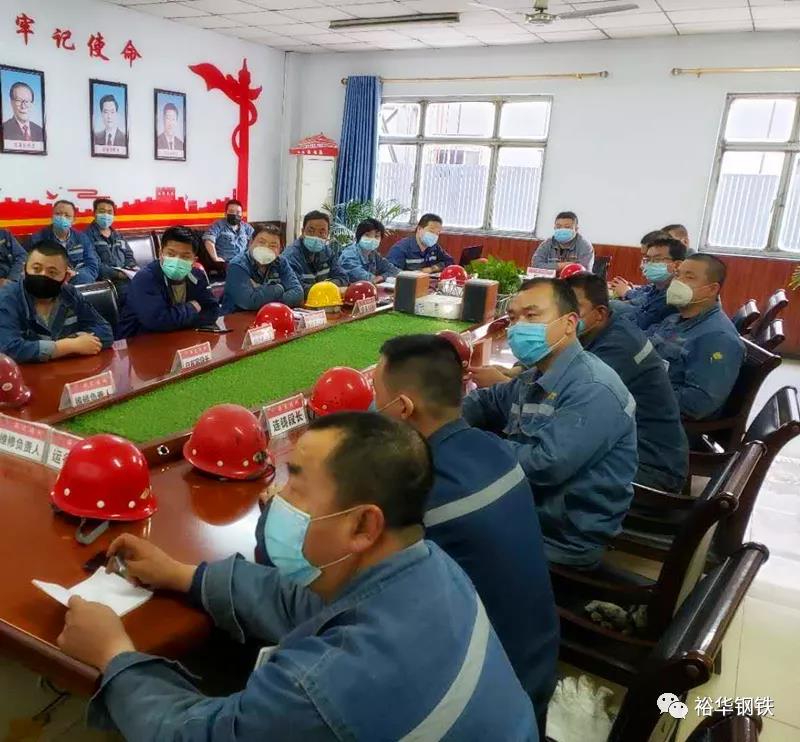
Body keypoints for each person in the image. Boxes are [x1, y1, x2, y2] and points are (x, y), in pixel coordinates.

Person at [55, 413, 538, 741]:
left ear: (363, 525)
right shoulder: (431, 567)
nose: (276, 497)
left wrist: (113, 653)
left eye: (296, 482)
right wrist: (182, 575)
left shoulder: (322, 686)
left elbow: (193, 735)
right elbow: (303, 605)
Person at [372, 334, 558, 729]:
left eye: (377, 399)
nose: (373, 410)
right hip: (537, 666)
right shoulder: (496, 449)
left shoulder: (422, 494)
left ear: (403, 408)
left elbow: (346, 587)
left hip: (489, 703)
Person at [463, 278, 637, 569]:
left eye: (532, 315)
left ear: (569, 323)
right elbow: (487, 401)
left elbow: (545, 465)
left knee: (434, 530)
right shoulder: (538, 373)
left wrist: (466, 442)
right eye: (513, 318)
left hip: (560, 535)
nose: (519, 327)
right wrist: (442, 418)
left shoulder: (592, 387)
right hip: (528, 510)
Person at [565, 273, 688, 492]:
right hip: (629, 449)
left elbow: (566, 396)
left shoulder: (616, 348)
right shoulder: (611, 329)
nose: (566, 317)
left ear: (600, 313)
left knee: (537, 475)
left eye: (574, 309)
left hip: (649, 468)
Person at [649, 254, 744, 421]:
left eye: (689, 277)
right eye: (677, 275)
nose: (678, 282)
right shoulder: (674, 319)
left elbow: (698, 404)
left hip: (662, 421)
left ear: (712, 289)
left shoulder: (717, 338)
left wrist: (640, 392)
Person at [0, 241, 113, 363]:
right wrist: (67, 346)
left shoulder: (70, 294)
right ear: (24, 269)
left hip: (69, 370)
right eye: (36, 269)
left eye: (52, 272)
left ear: (66, 277)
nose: (43, 275)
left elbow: (105, 331)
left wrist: (76, 341)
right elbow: (8, 349)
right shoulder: (7, 297)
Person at [118, 226, 220, 338]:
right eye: (171, 254)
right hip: (139, 341)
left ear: (193, 261)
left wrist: (175, 321)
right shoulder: (145, 278)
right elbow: (157, 321)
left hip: (179, 338)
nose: (177, 260)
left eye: (185, 257)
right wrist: (192, 308)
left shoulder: (197, 275)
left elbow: (212, 310)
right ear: (160, 253)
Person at [222, 225, 303, 313]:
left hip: (270, 315)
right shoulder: (237, 265)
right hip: (237, 316)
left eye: (273, 246)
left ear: (280, 250)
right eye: (261, 242)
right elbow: (248, 302)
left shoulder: (281, 262)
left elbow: (298, 294)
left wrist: (260, 294)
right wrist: (279, 289)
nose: (266, 248)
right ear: (251, 243)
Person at [615, 237, 687, 331]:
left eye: (657, 259)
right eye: (648, 259)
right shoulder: (657, 288)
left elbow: (640, 325)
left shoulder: (672, 296)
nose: (649, 264)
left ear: (677, 265)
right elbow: (640, 309)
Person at [31, 201, 99, 285]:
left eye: (67, 215)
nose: (62, 218)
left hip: (78, 280)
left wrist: (76, 273)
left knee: (85, 279)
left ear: (74, 220)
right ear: (52, 217)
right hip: (50, 282)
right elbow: (32, 267)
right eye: (58, 214)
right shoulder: (38, 238)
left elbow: (92, 266)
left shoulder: (82, 238)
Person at [283, 211, 349, 298]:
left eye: (321, 232)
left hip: (324, 300)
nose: (316, 236)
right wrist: (327, 287)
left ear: (327, 235)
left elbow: (343, 278)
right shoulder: (290, 256)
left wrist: (323, 288)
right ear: (302, 232)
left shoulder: (328, 252)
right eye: (311, 231)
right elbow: (297, 289)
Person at [84, 198, 138, 301]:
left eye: (109, 212)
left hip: (126, 276)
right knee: (132, 296)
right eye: (102, 211)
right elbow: (94, 264)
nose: (106, 215)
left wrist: (131, 267)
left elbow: (128, 254)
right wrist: (117, 274)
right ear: (94, 213)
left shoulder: (117, 234)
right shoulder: (86, 236)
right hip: (107, 281)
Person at [608, 230, 670, 302]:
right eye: (645, 258)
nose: (642, 266)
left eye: (648, 258)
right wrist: (631, 289)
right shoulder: (656, 285)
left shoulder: (671, 291)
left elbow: (646, 304)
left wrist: (627, 292)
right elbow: (646, 290)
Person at [387, 213, 454, 273]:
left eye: (437, 233)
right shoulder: (400, 249)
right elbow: (391, 272)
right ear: (419, 229)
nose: (434, 235)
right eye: (431, 231)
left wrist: (432, 269)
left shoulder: (434, 247)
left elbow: (450, 262)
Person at [339, 218, 400, 284]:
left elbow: (395, 271)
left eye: (376, 236)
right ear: (359, 236)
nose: (372, 239)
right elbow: (364, 279)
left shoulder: (373, 254)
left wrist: (382, 277)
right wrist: (381, 278)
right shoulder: (349, 254)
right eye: (367, 235)